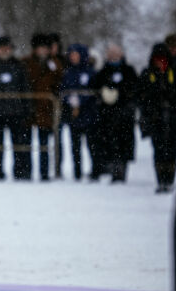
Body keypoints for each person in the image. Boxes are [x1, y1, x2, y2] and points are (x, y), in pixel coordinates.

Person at [91, 44, 138, 183]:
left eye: (115, 54)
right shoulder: (103, 71)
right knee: (109, 143)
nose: (113, 57)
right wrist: (105, 95)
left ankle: (121, 171)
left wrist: (122, 95)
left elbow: (134, 88)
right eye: (110, 55)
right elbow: (97, 88)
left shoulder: (128, 70)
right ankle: (111, 169)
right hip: (107, 115)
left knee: (123, 144)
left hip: (124, 114)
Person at [0, 36, 32, 181]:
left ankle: (20, 171)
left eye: (8, 48)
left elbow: (25, 88)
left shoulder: (19, 66)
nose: (5, 51)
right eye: (2, 48)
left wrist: (27, 108)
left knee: (19, 144)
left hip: (16, 112)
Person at [138, 43, 176, 193]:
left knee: (171, 150)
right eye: (157, 59)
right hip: (156, 119)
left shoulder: (173, 72)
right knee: (159, 150)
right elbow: (142, 96)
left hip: (172, 118)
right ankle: (161, 180)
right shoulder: (147, 73)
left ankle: (169, 180)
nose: (160, 62)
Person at [23, 33, 63, 181]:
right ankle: (26, 171)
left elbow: (59, 83)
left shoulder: (55, 64)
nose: (42, 51)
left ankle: (44, 172)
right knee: (26, 143)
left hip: (46, 108)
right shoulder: (26, 63)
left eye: (45, 48)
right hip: (29, 107)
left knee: (44, 144)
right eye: (40, 48)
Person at [57, 44, 98, 181]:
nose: (73, 57)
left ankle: (95, 171)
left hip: (89, 113)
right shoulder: (67, 72)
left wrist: (80, 100)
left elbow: (94, 91)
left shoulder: (90, 72)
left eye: (76, 54)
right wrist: (71, 101)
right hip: (73, 115)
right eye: (71, 54)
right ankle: (77, 172)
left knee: (92, 144)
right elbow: (64, 89)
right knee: (75, 145)